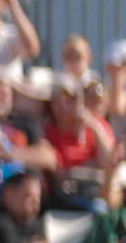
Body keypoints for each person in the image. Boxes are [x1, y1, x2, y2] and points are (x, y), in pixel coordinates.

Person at [41, 75, 118, 210]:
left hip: (97, 190)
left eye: (69, 100)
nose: (63, 105)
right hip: (66, 194)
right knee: (99, 208)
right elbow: (58, 174)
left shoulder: (96, 125)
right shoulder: (48, 131)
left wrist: (93, 126)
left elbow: (108, 161)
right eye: (58, 100)